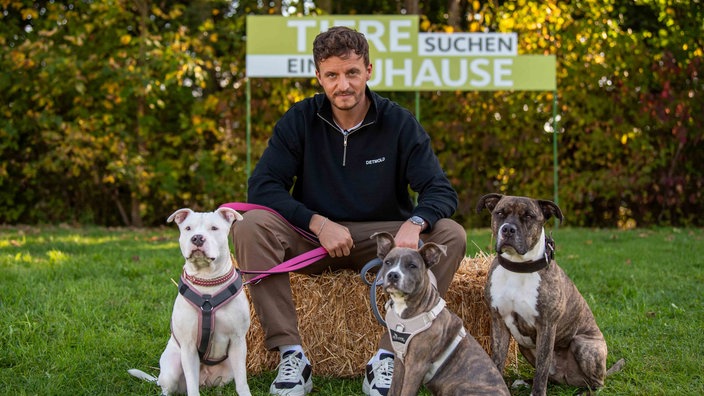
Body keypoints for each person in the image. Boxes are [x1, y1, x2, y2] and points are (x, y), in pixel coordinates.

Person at [232, 26, 466, 396]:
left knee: (451, 233)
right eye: (333, 75)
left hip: (382, 246)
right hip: (313, 239)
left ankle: (389, 356)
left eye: (352, 73)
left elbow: (439, 189)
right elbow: (262, 187)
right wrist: (317, 222)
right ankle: (291, 355)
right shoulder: (300, 119)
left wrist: (416, 223)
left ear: (369, 71)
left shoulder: (398, 122)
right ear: (319, 77)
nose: (344, 85)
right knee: (250, 226)